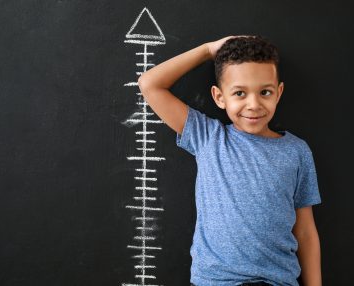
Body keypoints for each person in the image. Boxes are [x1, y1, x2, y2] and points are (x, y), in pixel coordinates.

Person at [137, 35, 322, 286]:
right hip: (215, 281)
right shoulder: (207, 137)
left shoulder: (297, 151)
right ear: (219, 97)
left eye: (265, 92)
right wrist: (207, 50)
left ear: (278, 93)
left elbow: (305, 232)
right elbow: (149, 84)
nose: (253, 104)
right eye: (239, 93)